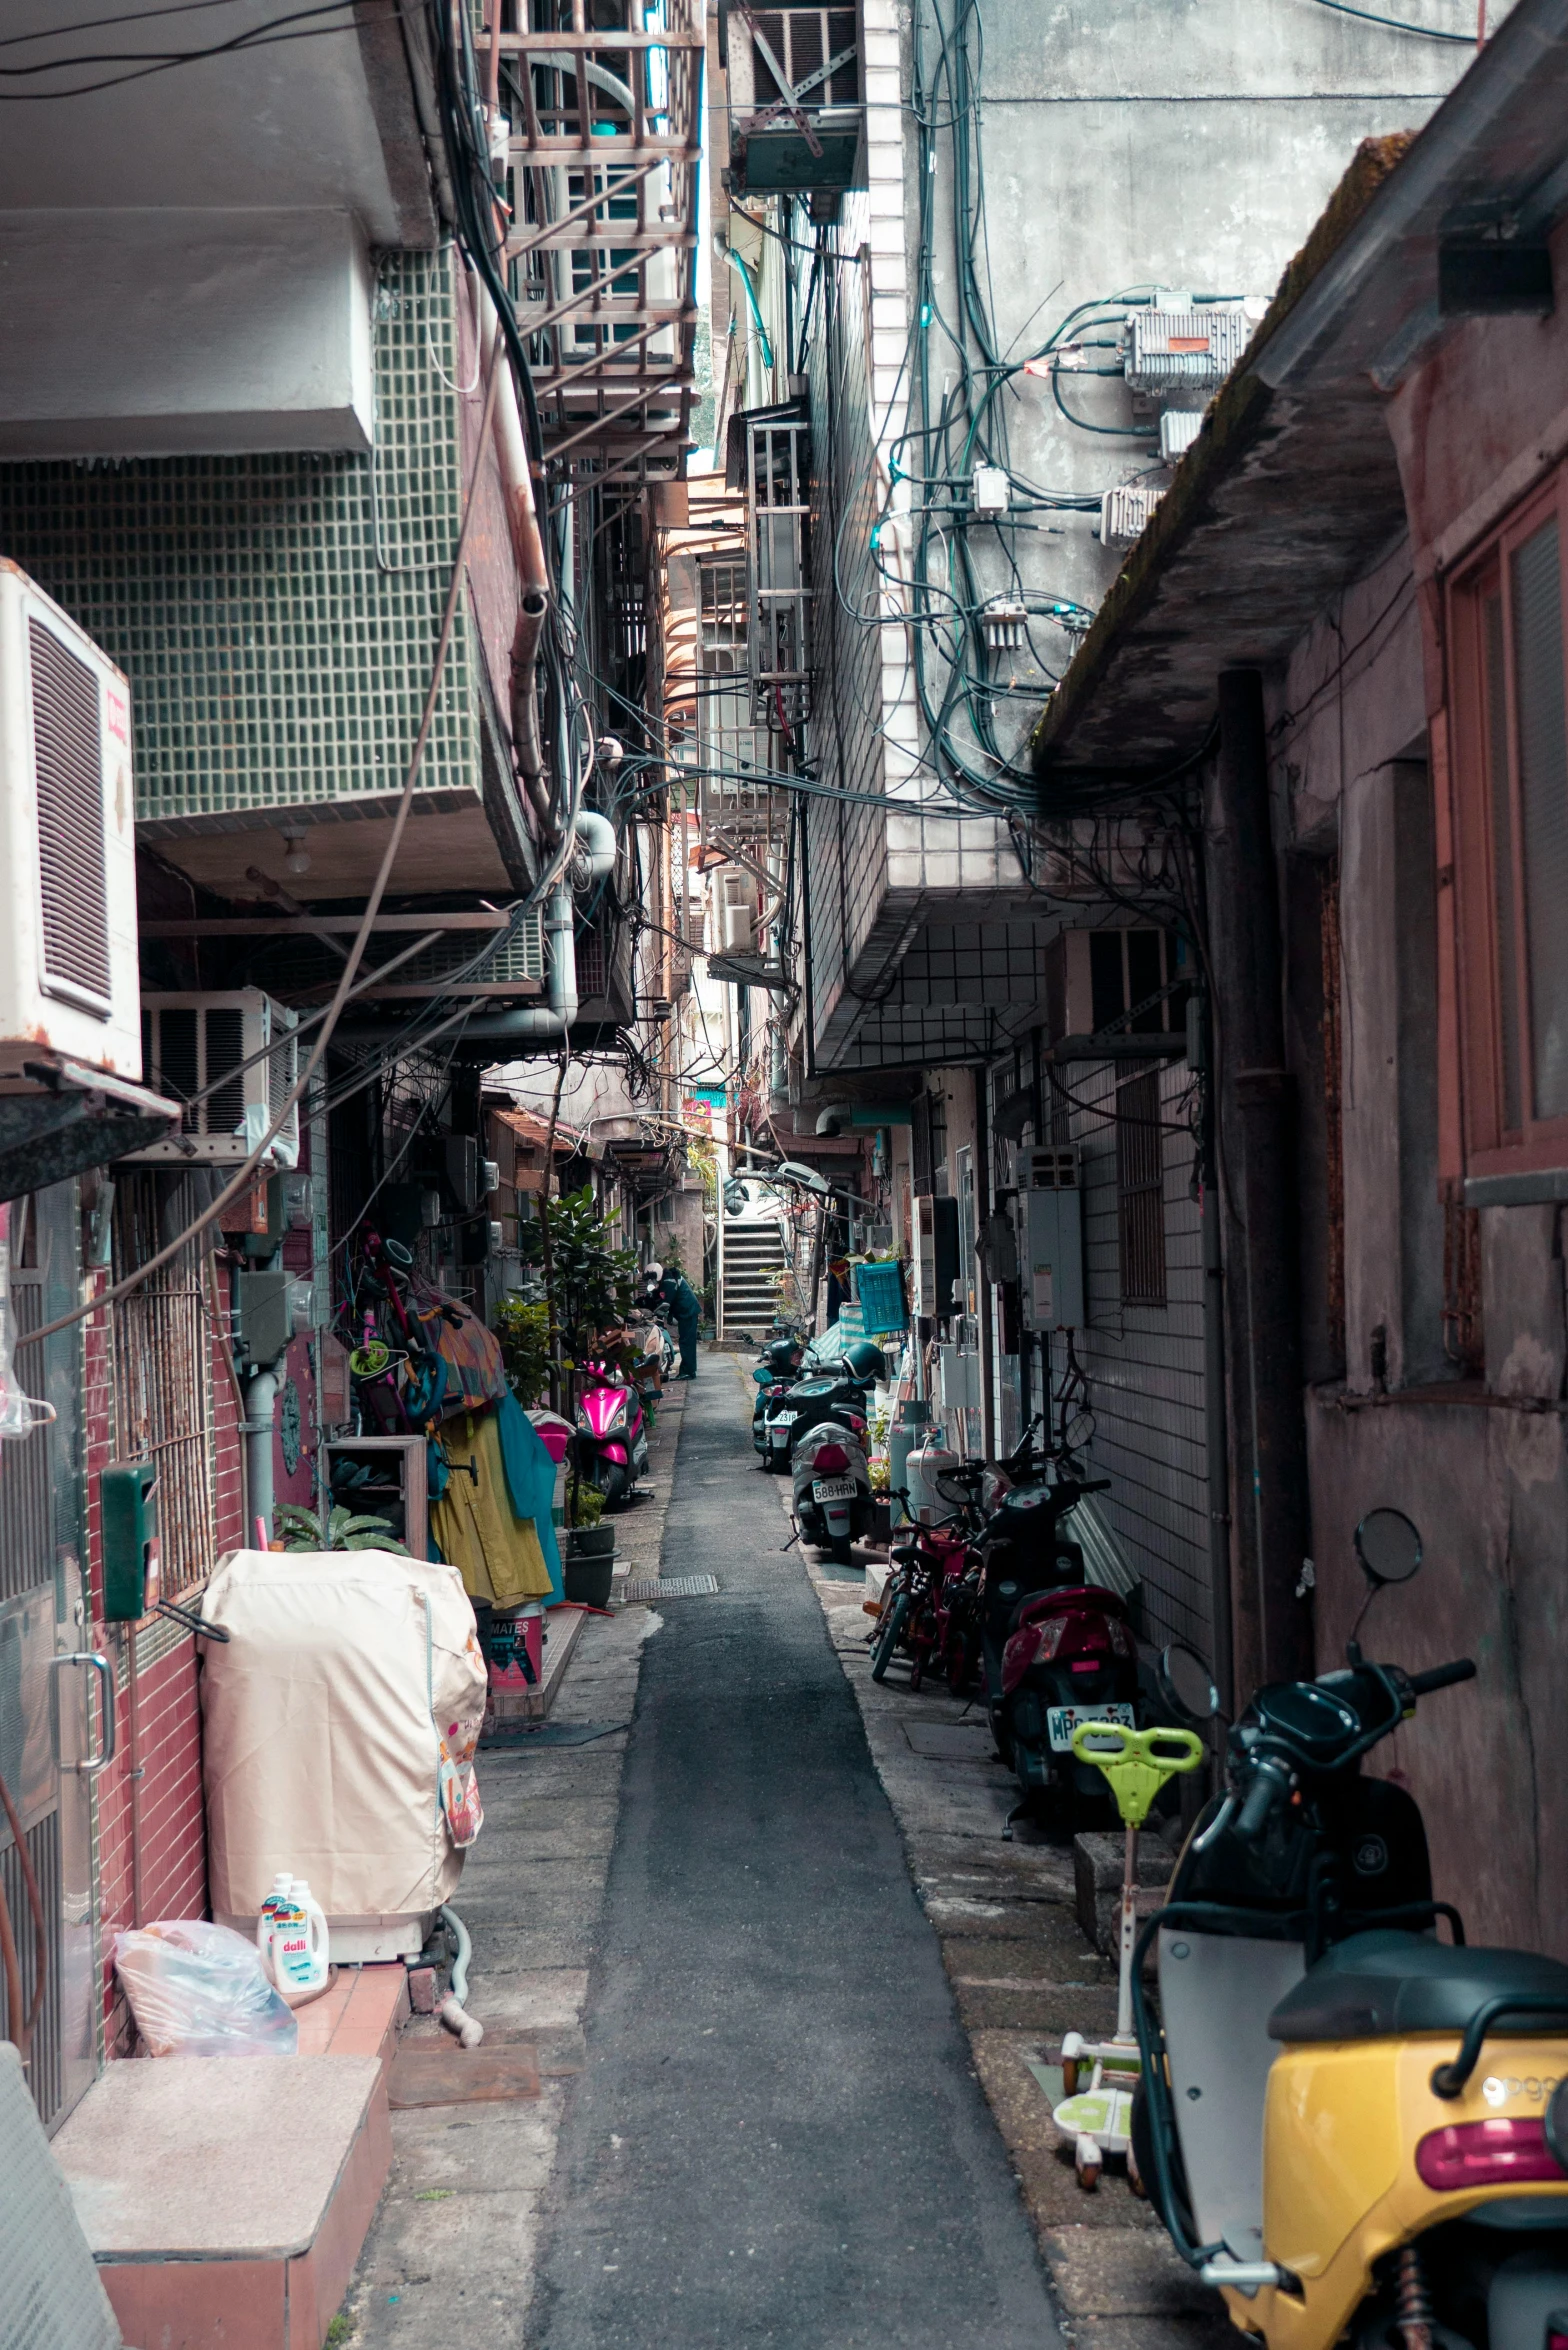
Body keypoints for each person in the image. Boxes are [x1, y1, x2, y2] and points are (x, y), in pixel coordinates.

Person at [644, 1258, 701, 1379]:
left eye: (652, 1279)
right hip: (685, 1312)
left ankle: (688, 1372)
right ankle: (688, 1370)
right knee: (686, 1341)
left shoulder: (668, 1282)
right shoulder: (666, 1280)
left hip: (688, 1311)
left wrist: (654, 1313)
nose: (651, 1282)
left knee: (687, 1342)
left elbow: (665, 1304)